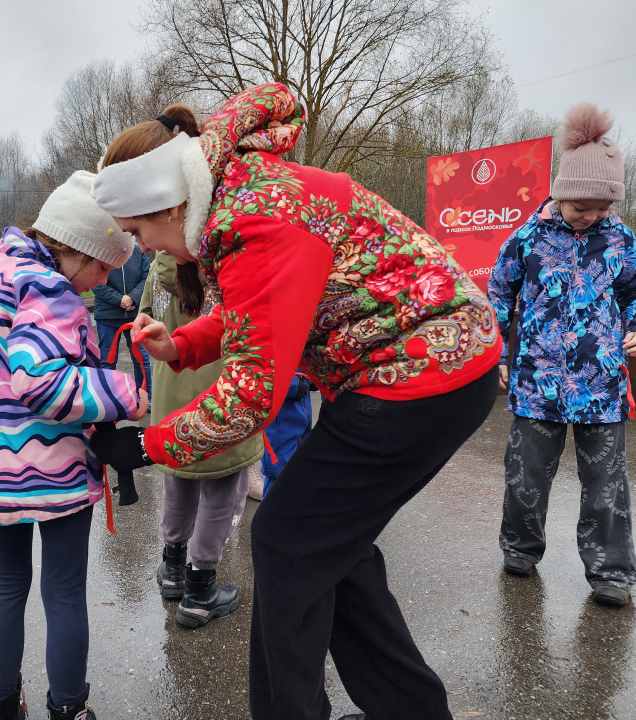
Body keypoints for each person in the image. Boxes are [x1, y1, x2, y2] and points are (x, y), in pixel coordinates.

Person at [86, 86, 502, 720]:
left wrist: (147, 443)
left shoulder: (256, 219)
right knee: (332, 547)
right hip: (424, 367)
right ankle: (411, 710)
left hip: (418, 377)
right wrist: (182, 345)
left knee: (285, 540)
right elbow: (264, 311)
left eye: (137, 230)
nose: (141, 247)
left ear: (165, 206)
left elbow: (252, 395)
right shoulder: (237, 197)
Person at [0, 171, 147, 720]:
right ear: (78, 250)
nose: (105, 278)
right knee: (63, 595)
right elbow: (38, 381)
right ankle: (68, 708)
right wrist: (126, 393)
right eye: (105, 264)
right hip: (52, 471)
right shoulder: (51, 288)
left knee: (6, 586)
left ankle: (2, 705)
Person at [489, 103, 636, 608]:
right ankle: (519, 548)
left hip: (600, 383)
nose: (593, 216)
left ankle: (611, 573)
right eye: (583, 206)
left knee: (606, 484)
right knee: (525, 474)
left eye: (602, 208)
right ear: (562, 194)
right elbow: (498, 293)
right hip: (536, 380)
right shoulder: (528, 237)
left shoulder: (619, 236)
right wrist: (496, 353)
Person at [140, 249, 263, 627]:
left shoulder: (156, 274)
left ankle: (173, 568)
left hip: (169, 391)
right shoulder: (224, 268)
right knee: (221, 496)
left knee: (177, 488)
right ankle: (199, 589)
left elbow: (144, 320)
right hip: (220, 393)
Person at [92, 242, 153, 397]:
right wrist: (120, 299)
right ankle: (106, 398)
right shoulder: (99, 249)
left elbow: (147, 276)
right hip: (108, 316)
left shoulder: (139, 249)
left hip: (135, 316)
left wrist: (132, 298)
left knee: (141, 359)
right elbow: (94, 281)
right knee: (107, 360)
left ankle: (145, 396)